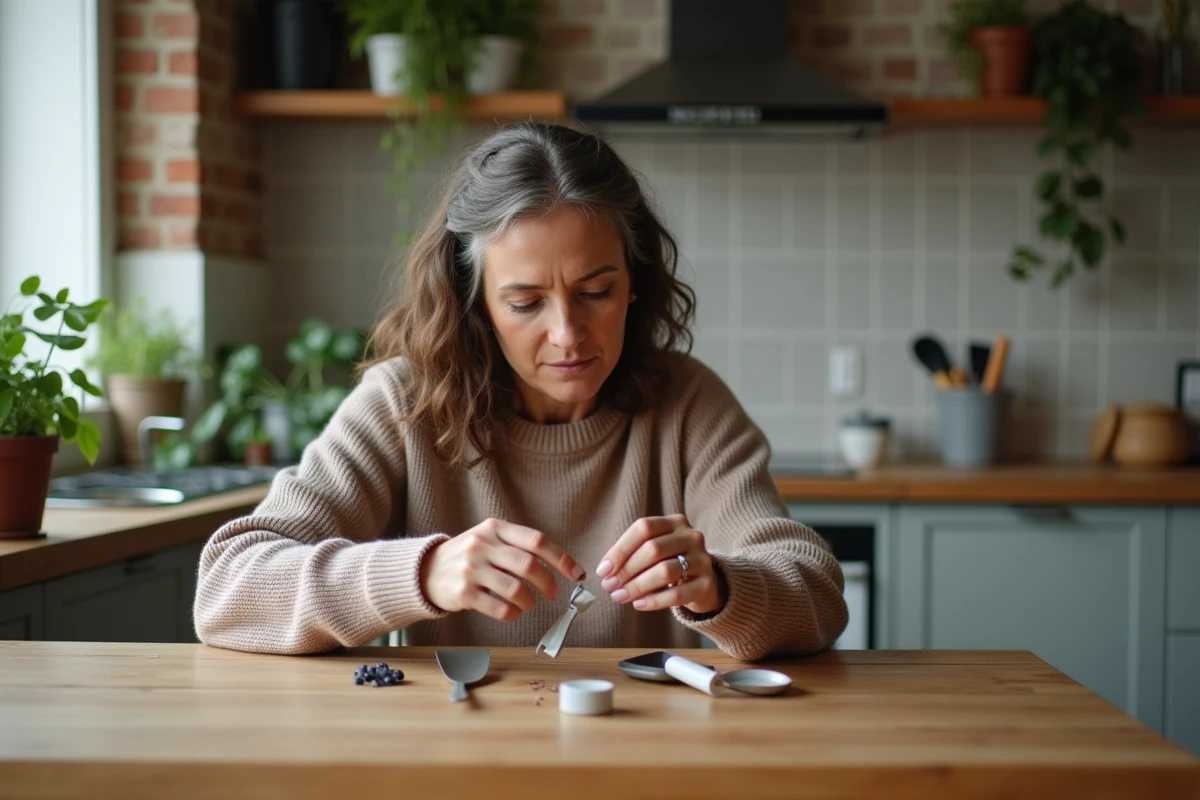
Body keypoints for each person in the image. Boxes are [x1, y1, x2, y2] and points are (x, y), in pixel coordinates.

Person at [194, 122, 847, 660]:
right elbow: (227, 589)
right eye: (526, 302)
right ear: (475, 304)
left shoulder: (688, 405)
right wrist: (422, 575)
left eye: (596, 292)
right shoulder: (404, 404)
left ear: (635, 283)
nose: (568, 334)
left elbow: (816, 594)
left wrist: (720, 587)